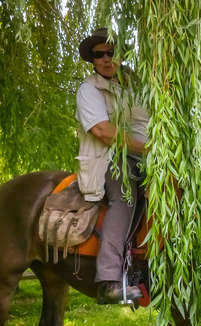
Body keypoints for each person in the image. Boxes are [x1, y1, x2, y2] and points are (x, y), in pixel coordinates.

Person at [75, 28, 149, 304]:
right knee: (125, 199)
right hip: (110, 159)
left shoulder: (136, 84)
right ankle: (108, 281)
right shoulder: (88, 90)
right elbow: (104, 133)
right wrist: (149, 148)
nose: (107, 58)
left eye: (111, 52)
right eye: (99, 55)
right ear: (92, 60)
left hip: (150, 156)